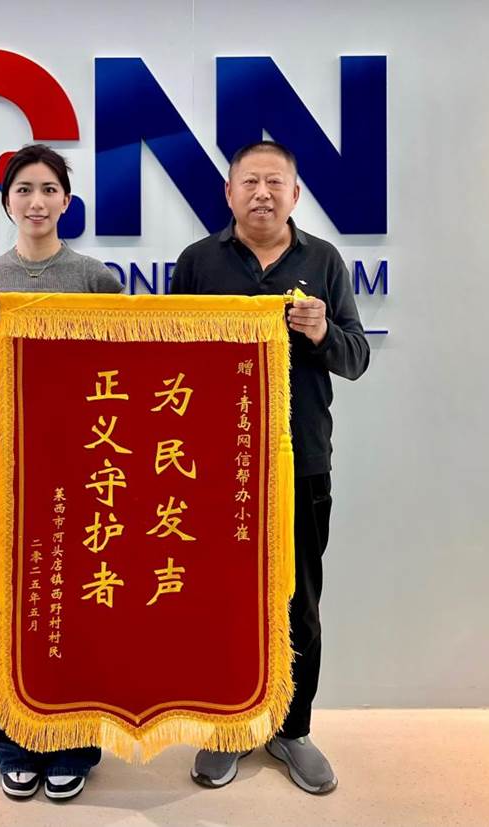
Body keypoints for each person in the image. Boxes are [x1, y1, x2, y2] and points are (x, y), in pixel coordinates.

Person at [170, 140, 370, 795]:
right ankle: (227, 725)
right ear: (228, 193)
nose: (262, 193)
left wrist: (322, 332)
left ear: (295, 194)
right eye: (249, 182)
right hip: (214, 465)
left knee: (299, 602)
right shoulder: (198, 262)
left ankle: (292, 728)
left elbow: (357, 358)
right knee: (218, 598)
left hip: (301, 461)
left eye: (274, 182)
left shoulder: (324, 261)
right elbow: (170, 360)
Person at [0, 144, 123, 801]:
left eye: (49, 188)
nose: (36, 201)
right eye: (23, 189)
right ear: (6, 202)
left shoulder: (96, 279)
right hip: (2, 448)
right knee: (2, 596)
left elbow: (118, 372)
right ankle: (10, 741)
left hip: (80, 451)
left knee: (77, 596)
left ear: (66, 201)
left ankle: (73, 742)